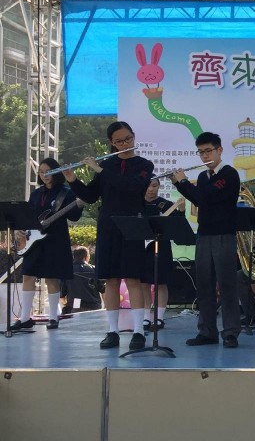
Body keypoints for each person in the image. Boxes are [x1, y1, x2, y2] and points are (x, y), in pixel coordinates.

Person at [63, 121, 154, 350]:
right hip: (108, 226)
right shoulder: (107, 164)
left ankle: (138, 331)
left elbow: (132, 187)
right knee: (110, 280)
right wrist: (72, 179)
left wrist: (101, 170)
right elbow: (91, 196)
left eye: (128, 139)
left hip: (132, 224)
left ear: (133, 136)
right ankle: (112, 331)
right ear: (111, 143)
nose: (124, 144)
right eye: (119, 141)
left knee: (133, 279)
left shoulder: (144, 165)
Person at [172, 132, 242, 348]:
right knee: (204, 285)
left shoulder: (229, 174)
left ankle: (230, 332)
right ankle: (207, 331)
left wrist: (183, 181)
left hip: (224, 235)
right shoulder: (203, 176)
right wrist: (178, 183)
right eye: (201, 152)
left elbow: (206, 197)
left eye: (208, 151)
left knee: (227, 285)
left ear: (220, 150)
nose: (204, 156)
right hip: (204, 235)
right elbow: (197, 200)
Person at [14, 158, 83, 330]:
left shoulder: (66, 192)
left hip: (55, 240)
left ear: (56, 172)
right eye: (41, 172)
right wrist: (20, 229)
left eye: (48, 172)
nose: (44, 175)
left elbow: (74, 217)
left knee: (52, 278)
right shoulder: (36, 194)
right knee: (28, 275)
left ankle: (53, 316)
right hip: (34, 240)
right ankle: (24, 318)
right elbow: (28, 216)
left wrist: (80, 205)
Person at [139, 178, 182, 331]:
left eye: (154, 186)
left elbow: (178, 223)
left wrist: (181, 210)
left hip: (162, 245)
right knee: (143, 282)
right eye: (148, 185)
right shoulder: (136, 203)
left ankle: (159, 317)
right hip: (141, 246)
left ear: (159, 187)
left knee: (161, 282)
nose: (151, 189)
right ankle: (146, 316)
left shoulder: (166, 204)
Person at [62, 246, 103, 313]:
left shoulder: (67, 271)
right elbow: (104, 290)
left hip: (75, 305)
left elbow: (62, 295)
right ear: (86, 257)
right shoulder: (94, 269)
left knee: (75, 308)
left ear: (74, 257)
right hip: (94, 306)